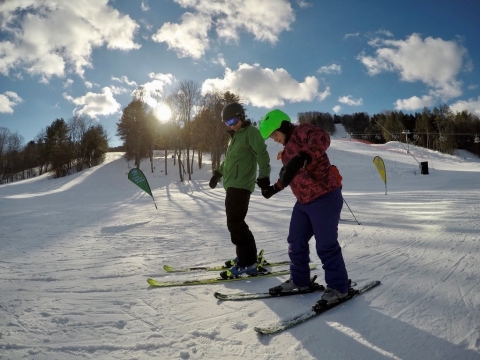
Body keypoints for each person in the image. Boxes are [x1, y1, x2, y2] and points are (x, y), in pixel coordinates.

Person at [258, 109, 349, 305]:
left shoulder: (302, 131)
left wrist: (303, 156)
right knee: (295, 241)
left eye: (274, 134)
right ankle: (300, 281)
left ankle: (339, 287)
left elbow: (321, 138)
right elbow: (290, 174)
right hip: (303, 202)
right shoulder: (285, 153)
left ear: (283, 126)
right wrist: (273, 188)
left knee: (326, 245)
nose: (274, 139)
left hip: (325, 196)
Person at [209, 102, 271, 279]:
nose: (232, 125)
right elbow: (229, 161)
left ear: (241, 116)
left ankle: (248, 262)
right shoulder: (234, 137)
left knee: (235, 223)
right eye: (227, 122)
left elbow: (262, 154)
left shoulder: (250, 132)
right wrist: (218, 173)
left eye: (234, 120)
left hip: (242, 185)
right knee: (235, 222)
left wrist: (264, 176)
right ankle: (245, 256)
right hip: (233, 184)